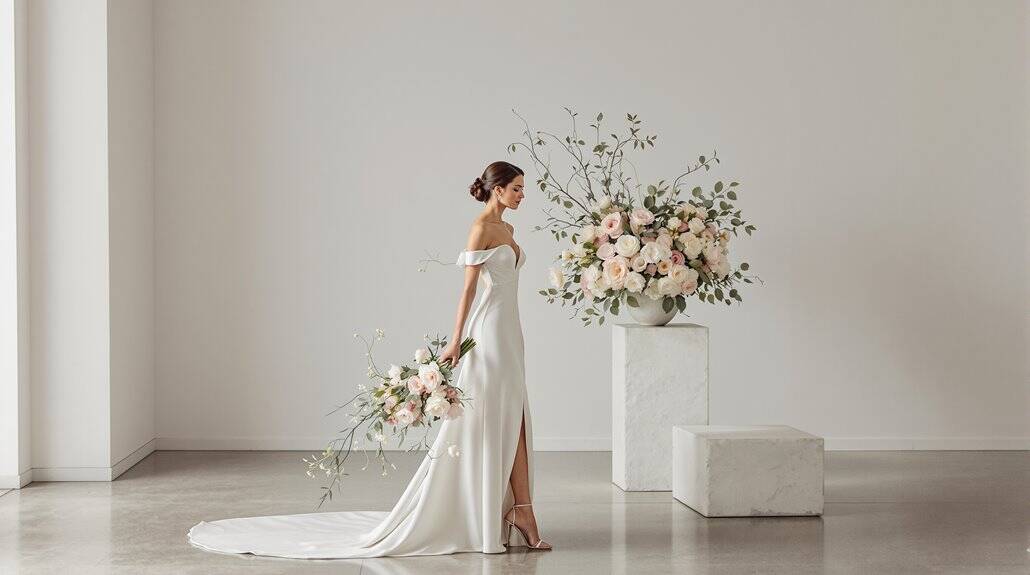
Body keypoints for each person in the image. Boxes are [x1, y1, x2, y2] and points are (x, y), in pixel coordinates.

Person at [186, 160, 551, 558]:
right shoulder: (481, 229)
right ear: (497, 190)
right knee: (498, 416)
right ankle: (516, 514)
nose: (521, 195)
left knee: (514, 417)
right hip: (489, 333)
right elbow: (466, 291)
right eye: (516, 188)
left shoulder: (510, 230)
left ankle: (521, 510)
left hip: (511, 330)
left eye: (522, 188)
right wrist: (454, 341)